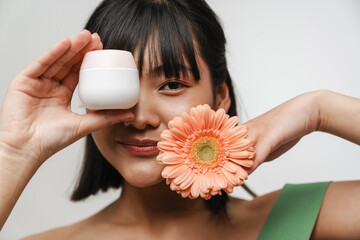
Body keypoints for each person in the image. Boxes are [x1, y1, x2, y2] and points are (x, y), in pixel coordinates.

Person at [0, 0, 359, 239]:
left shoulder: (301, 218)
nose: (139, 117)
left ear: (220, 96)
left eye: (172, 84)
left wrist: (319, 109)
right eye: (118, 87)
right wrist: (14, 151)